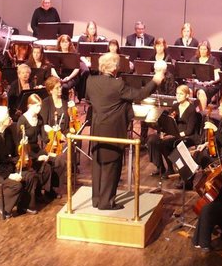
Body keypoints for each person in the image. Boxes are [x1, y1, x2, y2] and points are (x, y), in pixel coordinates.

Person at [84, 51, 162, 209]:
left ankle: (97, 199)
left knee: (98, 165)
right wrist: (155, 80)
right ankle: (106, 202)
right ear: (114, 68)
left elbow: (88, 99)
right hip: (113, 131)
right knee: (112, 166)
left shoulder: (90, 81)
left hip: (97, 129)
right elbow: (139, 95)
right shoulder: (117, 84)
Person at [0, 105, 37, 217]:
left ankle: (24, 205)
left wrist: (22, 145)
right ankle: (2, 206)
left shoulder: (8, 131)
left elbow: (13, 152)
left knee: (30, 175)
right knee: (16, 185)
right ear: (2, 122)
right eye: (8, 117)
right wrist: (10, 175)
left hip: (8, 165)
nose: (10, 118)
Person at [147, 84, 201, 178]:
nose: (178, 96)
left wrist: (175, 135)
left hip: (187, 136)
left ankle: (171, 168)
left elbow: (189, 130)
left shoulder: (191, 109)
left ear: (187, 95)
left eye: (181, 94)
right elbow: (169, 122)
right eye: (177, 94)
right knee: (152, 140)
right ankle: (160, 167)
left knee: (164, 143)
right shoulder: (175, 106)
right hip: (174, 133)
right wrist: (164, 131)